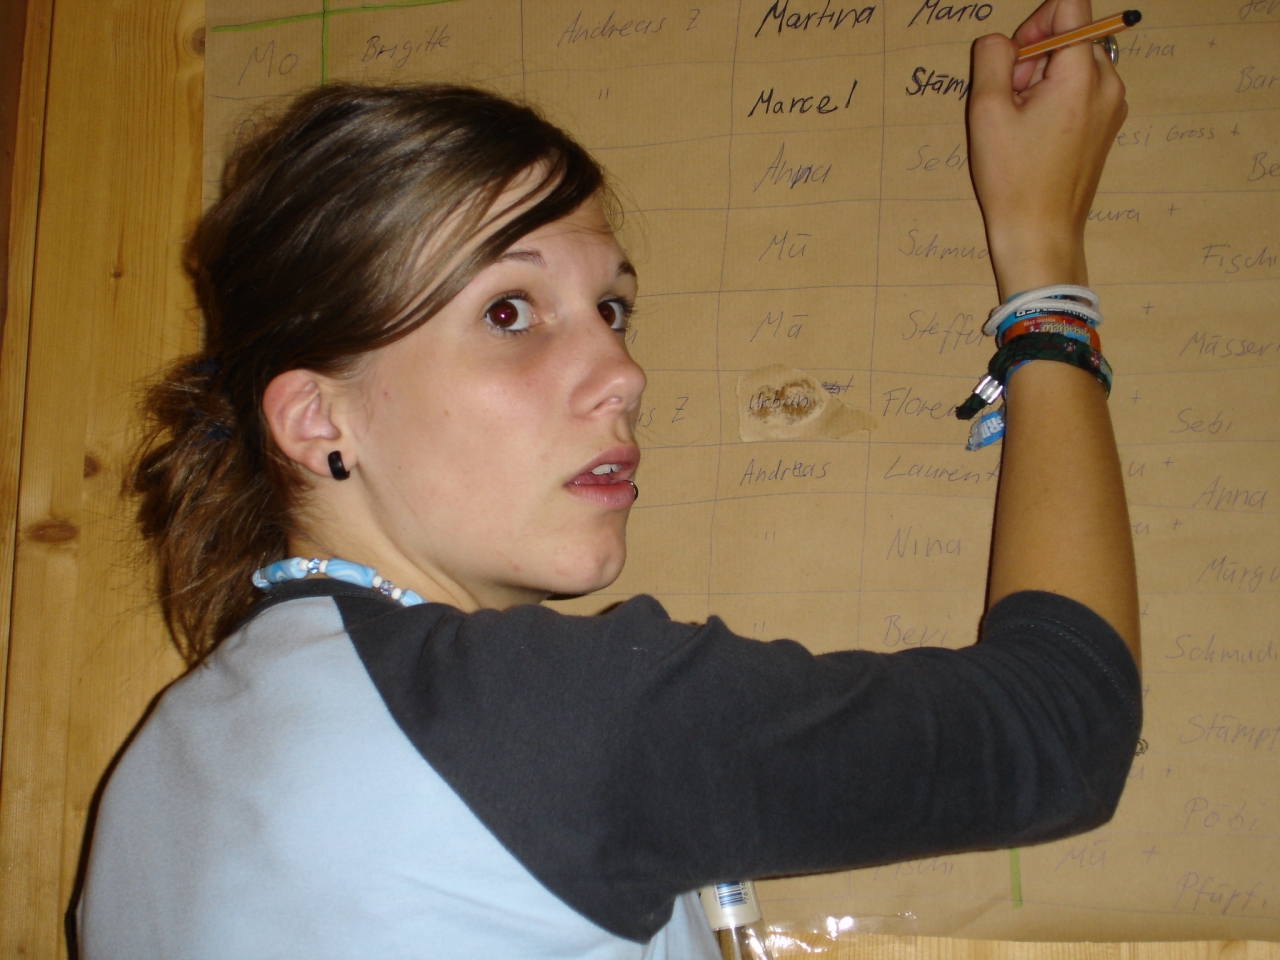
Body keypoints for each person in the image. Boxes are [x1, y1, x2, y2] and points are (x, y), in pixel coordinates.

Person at [76, 1, 1141, 957]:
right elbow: (1064, 722)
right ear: (320, 419)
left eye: (612, 309)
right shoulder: (545, 719)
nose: (623, 374)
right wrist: (1042, 257)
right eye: (508, 311)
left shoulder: (151, 787)